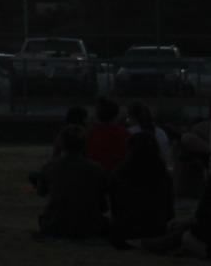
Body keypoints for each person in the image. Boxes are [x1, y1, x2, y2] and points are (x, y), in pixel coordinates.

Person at [107, 113, 176, 246]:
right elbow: (169, 208)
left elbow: (115, 207)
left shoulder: (119, 173)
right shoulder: (162, 175)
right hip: (155, 230)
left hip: (124, 231)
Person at [35, 125, 108, 239]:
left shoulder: (50, 166)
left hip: (56, 224)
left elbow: (41, 192)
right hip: (90, 224)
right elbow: (103, 197)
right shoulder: (96, 168)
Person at [86, 93, 131, 172]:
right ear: (116, 115)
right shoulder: (125, 134)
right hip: (117, 176)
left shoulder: (89, 134)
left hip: (95, 176)